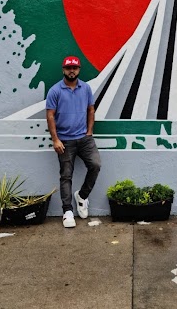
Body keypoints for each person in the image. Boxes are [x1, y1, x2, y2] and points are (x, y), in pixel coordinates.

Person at [46, 56, 101, 228]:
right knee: (66, 176)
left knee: (96, 165)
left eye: (75, 68)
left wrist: (89, 132)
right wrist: (55, 139)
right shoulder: (55, 90)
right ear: (63, 69)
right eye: (69, 68)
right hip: (65, 141)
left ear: (79, 70)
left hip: (84, 139)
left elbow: (91, 110)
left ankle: (82, 196)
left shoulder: (85, 88)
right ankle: (67, 211)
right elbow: (50, 115)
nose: (72, 71)